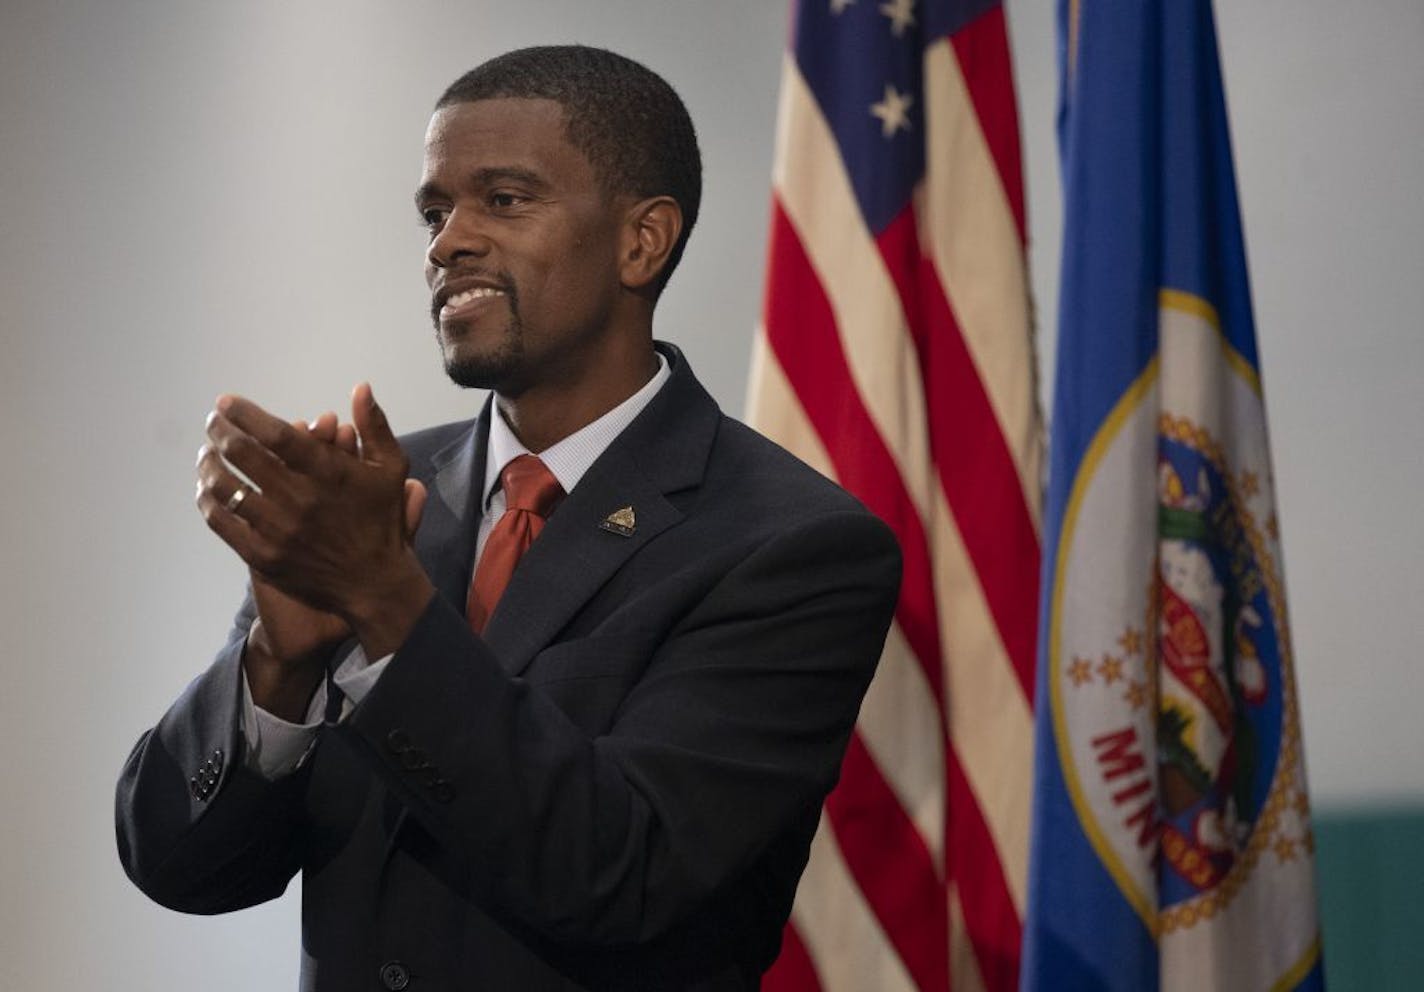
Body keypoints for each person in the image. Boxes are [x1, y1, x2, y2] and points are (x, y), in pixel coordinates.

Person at [116, 45, 900, 991]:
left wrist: (384, 603)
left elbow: (619, 872)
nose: (448, 243)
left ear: (640, 242)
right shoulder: (374, 490)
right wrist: (276, 668)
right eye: (436, 212)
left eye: (505, 199)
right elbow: (178, 867)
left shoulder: (794, 546)